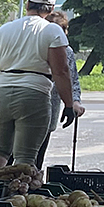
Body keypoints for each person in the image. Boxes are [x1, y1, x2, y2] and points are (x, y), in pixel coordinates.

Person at [0, 0, 83, 174]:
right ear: (50, 9)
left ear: (28, 5)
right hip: (34, 95)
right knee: (25, 157)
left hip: (1, 94)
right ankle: (18, 191)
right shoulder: (52, 31)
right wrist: (68, 104)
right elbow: (61, 72)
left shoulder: (4, 30)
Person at [33, 9, 81, 171]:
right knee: (16, 154)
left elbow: (72, 80)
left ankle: (30, 182)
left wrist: (74, 102)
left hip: (49, 109)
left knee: (37, 155)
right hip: (30, 105)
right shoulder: (34, 44)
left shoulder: (67, 51)